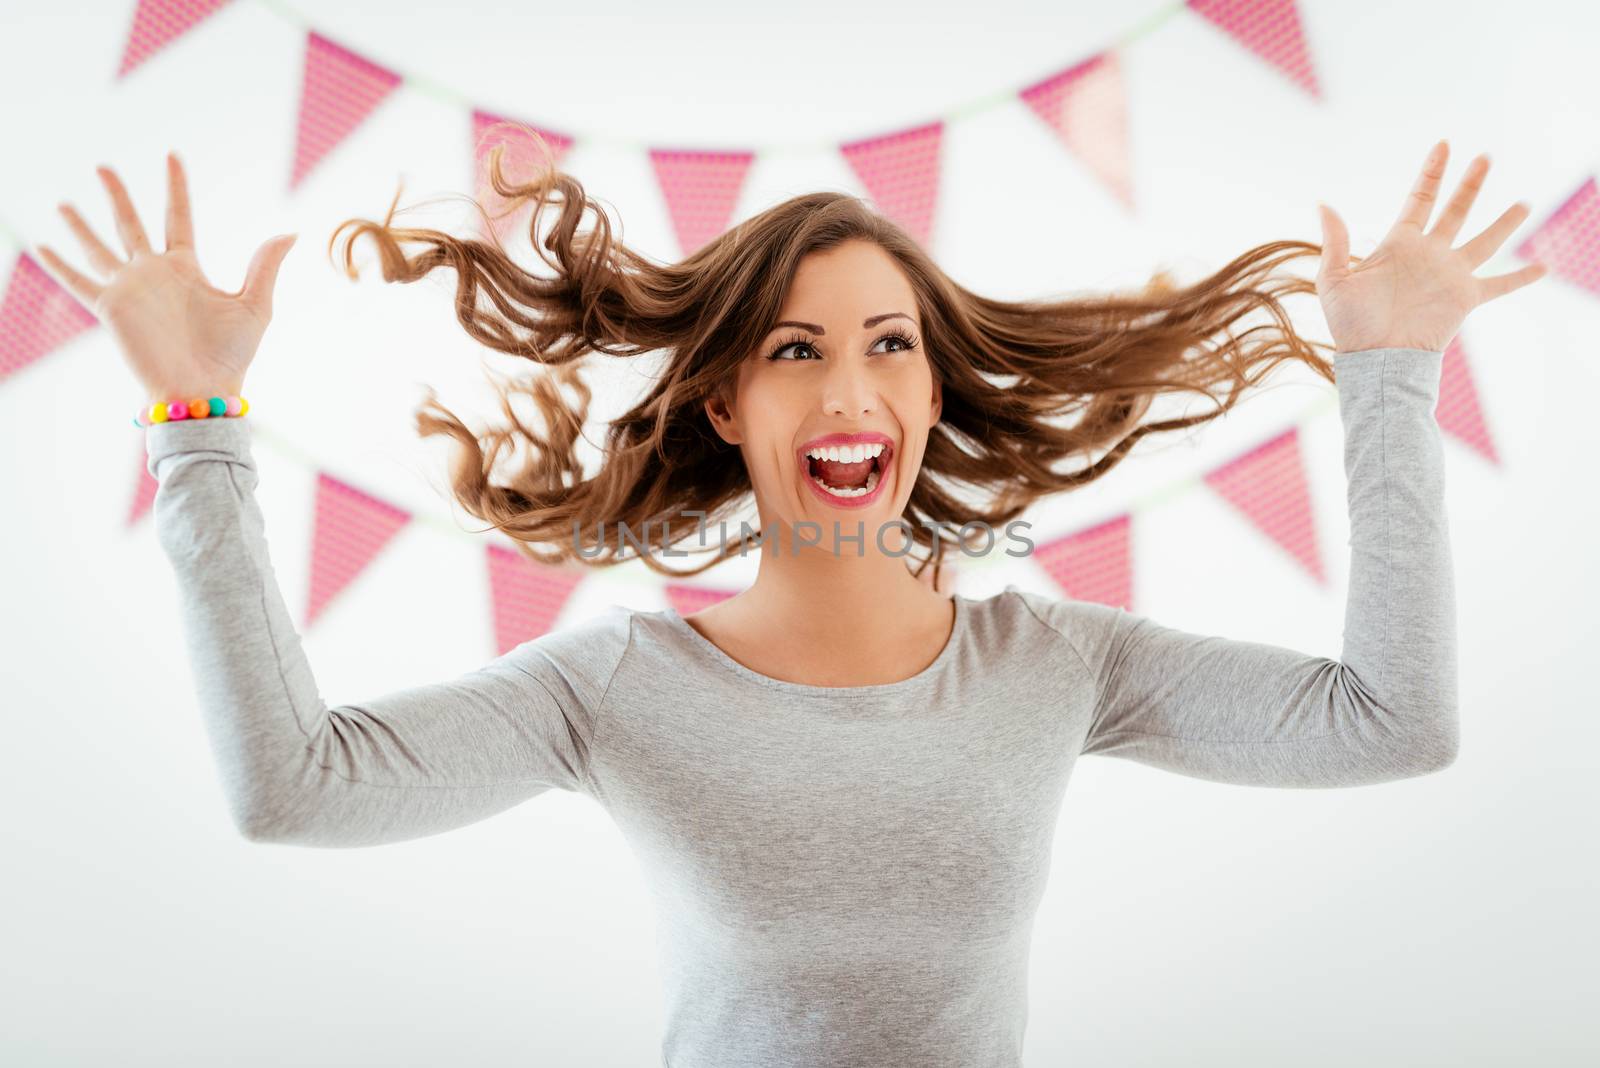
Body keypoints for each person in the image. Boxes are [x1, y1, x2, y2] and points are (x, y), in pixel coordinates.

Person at [36, 138, 1544, 1067]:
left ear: (932, 387)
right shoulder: (612, 689)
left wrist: (1389, 375)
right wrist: (198, 420)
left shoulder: (1060, 660)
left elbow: (1391, 725)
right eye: (799, 349)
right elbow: (292, 790)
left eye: (891, 344)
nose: (853, 385)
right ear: (722, 404)